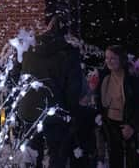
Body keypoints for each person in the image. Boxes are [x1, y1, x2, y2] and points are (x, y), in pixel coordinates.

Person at [18, 14, 85, 167]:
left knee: (32, 155)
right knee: (57, 154)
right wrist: (71, 111)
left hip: (30, 109)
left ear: (48, 27)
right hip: (55, 109)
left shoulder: (30, 47)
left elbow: (17, 74)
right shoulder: (69, 53)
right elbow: (73, 88)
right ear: (65, 33)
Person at [96, 45, 139, 168]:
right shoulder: (104, 78)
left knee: (132, 161)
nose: (109, 61)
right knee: (115, 160)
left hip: (128, 124)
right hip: (110, 125)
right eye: (107, 58)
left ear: (121, 59)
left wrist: (133, 126)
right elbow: (100, 101)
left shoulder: (133, 79)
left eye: (113, 58)